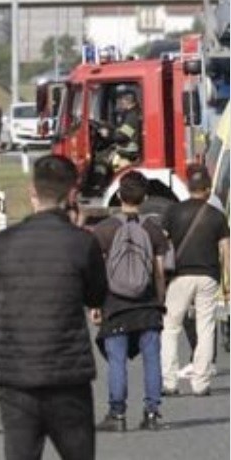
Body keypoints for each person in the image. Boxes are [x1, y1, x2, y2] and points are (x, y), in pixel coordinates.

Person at [0, 154, 107, 460]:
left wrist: (3, 366)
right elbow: (96, 297)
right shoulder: (81, 243)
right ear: (72, 194)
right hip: (68, 377)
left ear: (32, 191)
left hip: (17, 380)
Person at [90, 171, 168, 432]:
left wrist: (96, 305)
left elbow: (98, 273)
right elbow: (159, 272)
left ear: (119, 196)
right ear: (145, 197)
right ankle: (153, 413)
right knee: (152, 359)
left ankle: (117, 414)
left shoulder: (104, 230)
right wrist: (160, 302)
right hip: (147, 306)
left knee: (116, 361)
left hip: (115, 305)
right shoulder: (153, 230)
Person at [161, 165, 230, 396]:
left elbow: (163, 245)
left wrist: (160, 278)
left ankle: (170, 383)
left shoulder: (173, 212)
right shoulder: (218, 216)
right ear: (208, 189)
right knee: (206, 326)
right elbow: (225, 251)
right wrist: (228, 284)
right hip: (208, 276)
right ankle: (201, 383)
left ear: (188, 188)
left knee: (170, 327)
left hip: (179, 276)